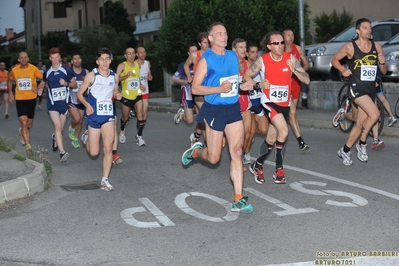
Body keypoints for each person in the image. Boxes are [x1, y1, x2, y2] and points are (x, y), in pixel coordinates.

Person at [181, 22, 255, 214]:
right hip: (213, 109)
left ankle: (238, 198)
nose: (223, 36)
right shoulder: (205, 60)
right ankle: (197, 152)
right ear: (211, 38)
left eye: (225, 33)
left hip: (232, 108)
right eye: (219, 33)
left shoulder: (232, 56)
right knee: (214, 158)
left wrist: (243, 86)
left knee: (237, 152)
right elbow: (195, 88)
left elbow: (233, 82)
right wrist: (217, 89)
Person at [243, 31, 310, 184]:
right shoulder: (263, 60)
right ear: (269, 46)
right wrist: (259, 85)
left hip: (284, 104)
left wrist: (295, 70)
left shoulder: (290, 58)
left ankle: (257, 165)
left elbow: (307, 80)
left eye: (281, 42)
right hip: (268, 102)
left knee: (272, 137)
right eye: (276, 43)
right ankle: (278, 169)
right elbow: (246, 76)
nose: (280, 46)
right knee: (284, 131)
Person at [331, 18, 387, 166]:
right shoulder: (350, 47)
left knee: (360, 123)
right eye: (365, 28)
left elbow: (384, 71)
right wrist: (343, 70)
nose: (369, 30)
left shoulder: (377, 47)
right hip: (356, 87)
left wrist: (382, 62)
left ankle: (345, 149)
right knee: (375, 114)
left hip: (370, 89)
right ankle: (362, 144)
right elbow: (334, 60)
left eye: (370, 28)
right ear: (358, 31)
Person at [77, 47, 121, 191]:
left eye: (107, 58)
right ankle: (86, 137)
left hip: (108, 115)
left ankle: (105, 180)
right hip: (94, 116)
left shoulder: (114, 76)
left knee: (108, 148)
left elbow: (115, 91)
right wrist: (87, 104)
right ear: (97, 61)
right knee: (94, 152)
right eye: (101, 59)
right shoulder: (92, 76)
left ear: (110, 60)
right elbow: (79, 94)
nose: (104, 61)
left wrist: (118, 94)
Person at [39, 48, 77, 162]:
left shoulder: (66, 70)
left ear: (59, 57)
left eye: (57, 57)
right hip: (52, 104)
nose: (55, 60)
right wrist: (40, 89)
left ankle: (55, 137)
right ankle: (62, 152)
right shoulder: (47, 72)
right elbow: (42, 82)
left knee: (61, 129)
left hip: (64, 103)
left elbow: (74, 84)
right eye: (53, 58)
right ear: (50, 58)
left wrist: (66, 83)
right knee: (58, 126)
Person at [7, 52, 43, 154]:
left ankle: (22, 131)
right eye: (21, 58)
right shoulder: (14, 70)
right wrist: (10, 93)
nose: (23, 59)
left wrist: (39, 87)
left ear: (28, 59)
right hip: (20, 99)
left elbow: (43, 78)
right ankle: (28, 147)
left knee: (29, 124)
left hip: (32, 98)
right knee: (24, 122)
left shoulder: (34, 69)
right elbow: (9, 80)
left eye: (25, 57)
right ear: (18, 60)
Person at [283, 29, 310, 151]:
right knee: (292, 112)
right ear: (283, 37)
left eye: (292, 34)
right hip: (284, 84)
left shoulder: (298, 49)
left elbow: (306, 64)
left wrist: (298, 72)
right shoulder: (280, 50)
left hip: (296, 83)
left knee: (292, 112)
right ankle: (300, 141)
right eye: (288, 35)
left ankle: (283, 128)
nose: (291, 37)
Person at [244, 43, 269, 165]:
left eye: (256, 52)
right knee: (251, 130)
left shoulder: (260, 66)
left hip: (258, 101)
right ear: (247, 54)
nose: (255, 54)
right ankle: (246, 153)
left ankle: (246, 136)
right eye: (252, 52)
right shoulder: (244, 67)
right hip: (248, 102)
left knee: (264, 130)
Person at [116, 47, 146, 146]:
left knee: (140, 115)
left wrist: (141, 85)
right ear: (125, 55)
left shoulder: (137, 65)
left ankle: (139, 136)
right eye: (129, 53)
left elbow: (137, 79)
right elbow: (115, 79)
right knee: (125, 117)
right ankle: (122, 130)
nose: (131, 55)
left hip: (137, 94)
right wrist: (125, 77)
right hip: (126, 96)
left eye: (133, 53)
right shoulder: (122, 65)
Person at [183, 32, 209, 146]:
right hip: (198, 89)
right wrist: (189, 76)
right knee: (207, 115)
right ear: (199, 43)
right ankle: (209, 144)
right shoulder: (195, 55)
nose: (207, 44)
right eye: (204, 42)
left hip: (210, 89)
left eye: (208, 42)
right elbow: (185, 65)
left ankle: (196, 136)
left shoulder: (213, 54)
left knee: (203, 116)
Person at [173, 43, 198, 125]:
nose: (195, 52)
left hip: (198, 93)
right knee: (190, 121)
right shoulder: (183, 65)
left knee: (202, 117)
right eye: (192, 51)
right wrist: (185, 81)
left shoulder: (201, 63)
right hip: (187, 94)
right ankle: (182, 114)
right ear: (189, 53)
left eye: (196, 50)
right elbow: (174, 78)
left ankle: (196, 136)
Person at [68, 53, 89, 148]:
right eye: (75, 59)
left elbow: (90, 86)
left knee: (80, 121)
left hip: (81, 100)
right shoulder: (68, 72)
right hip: (71, 99)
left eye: (78, 58)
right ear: (72, 61)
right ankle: (72, 127)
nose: (77, 60)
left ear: (81, 60)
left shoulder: (86, 72)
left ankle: (75, 139)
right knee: (76, 119)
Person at [135, 46, 153, 128]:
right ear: (137, 54)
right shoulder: (134, 64)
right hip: (136, 91)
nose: (143, 54)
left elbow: (149, 75)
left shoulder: (147, 63)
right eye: (140, 52)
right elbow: (132, 78)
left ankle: (139, 133)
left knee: (144, 112)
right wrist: (139, 85)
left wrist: (150, 76)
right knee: (139, 113)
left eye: (144, 52)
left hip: (145, 91)